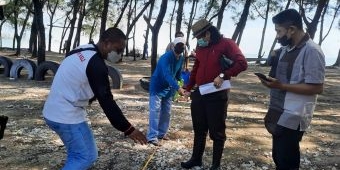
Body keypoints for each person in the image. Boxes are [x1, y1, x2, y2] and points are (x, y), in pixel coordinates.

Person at [43, 27, 147, 169]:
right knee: (83, 157)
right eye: (118, 49)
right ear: (106, 43)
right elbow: (106, 100)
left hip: (57, 109)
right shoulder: (96, 64)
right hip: (65, 115)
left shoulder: (83, 49)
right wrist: (128, 129)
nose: (120, 54)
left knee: (86, 154)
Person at [258, 9, 325, 170]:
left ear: (292, 29)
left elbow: (317, 87)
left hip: (295, 114)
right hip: (279, 110)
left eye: (279, 31)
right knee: (278, 156)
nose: (277, 36)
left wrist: (281, 86)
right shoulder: (287, 49)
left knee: (287, 160)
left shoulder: (312, 51)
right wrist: (271, 81)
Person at [181, 19, 248, 169]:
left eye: (199, 37)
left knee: (217, 132)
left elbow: (242, 63)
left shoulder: (227, 44)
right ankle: (196, 159)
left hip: (217, 94)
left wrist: (224, 75)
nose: (198, 41)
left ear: (208, 33)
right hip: (200, 92)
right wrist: (189, 87)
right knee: (199, 128)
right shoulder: (201, 46)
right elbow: (196, 67)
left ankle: (215, 165)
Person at [146, 37, 186, 146]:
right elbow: (167, 75)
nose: (181, 48)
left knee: (167, 112)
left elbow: (177, 73)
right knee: (155, 111)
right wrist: (178, 88)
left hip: (168, 88)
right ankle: (152, 136)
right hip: (157, 86)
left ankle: (162, 133)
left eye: (183, 46)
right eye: (178, 45)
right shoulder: (165, 58)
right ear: (173, 46)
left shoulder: (181, 58)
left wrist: (183, 84)